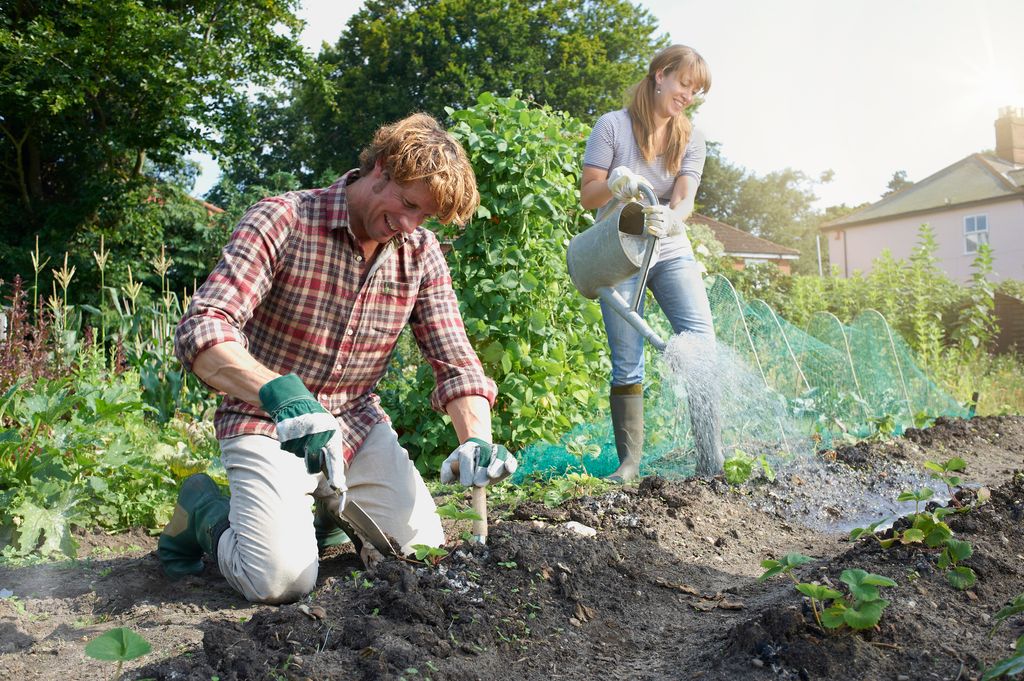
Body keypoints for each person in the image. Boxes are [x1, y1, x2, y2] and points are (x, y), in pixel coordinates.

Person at [158, 113, 516, 604]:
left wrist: (477, 440)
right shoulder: (284, 220)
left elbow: (454, 358)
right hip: (268, 422)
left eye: (424, 216)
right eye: (408, 203)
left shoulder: (420, 251)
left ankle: (326, 511)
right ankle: (205, 514)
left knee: (420, 553)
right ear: (382, 168)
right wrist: (279, 393)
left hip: (354, 424)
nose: (409, 225)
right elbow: (204, 328)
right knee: (281, 582)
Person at [580, 44, 723, 482]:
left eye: (696, 90)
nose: (689, 95)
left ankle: (711, 462)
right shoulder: (612, 126)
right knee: (627, 357)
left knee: (701, 343)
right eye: (685, 83)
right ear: (660, 75)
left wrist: (672, 219)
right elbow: (588, 194)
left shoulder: (690, 136)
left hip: (667, 243)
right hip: (617, 247)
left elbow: (683, 198)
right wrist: (618, 185)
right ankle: (629, 466)